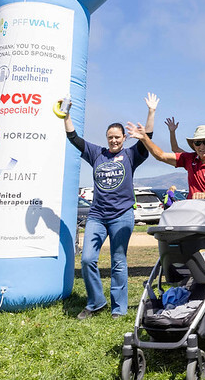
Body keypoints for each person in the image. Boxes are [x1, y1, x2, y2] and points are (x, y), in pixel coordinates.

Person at [62, 92, 158, 320]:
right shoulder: (97, 153)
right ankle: (96, 302)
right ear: (106, 138)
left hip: (122, 216)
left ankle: (119, 308)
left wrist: (151, 112)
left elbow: (148, 138)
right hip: (97, 215)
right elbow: (74, 138)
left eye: (117, 137)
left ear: (124, 138)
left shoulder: (131, 155)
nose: (114, 140)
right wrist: (65, 115)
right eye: (110, 137)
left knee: (118, 261)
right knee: (87, 260)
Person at [127, 123, 205, 200]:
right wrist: (145, 139)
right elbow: (161, 156)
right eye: (197, 143)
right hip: (194, 208)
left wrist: (203, 195)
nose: (201, 147)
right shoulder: (189, 158)